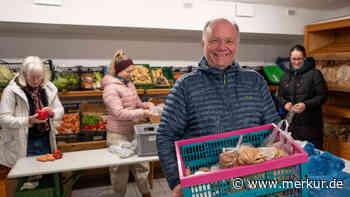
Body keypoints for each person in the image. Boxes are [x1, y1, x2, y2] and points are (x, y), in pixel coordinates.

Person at [156, 18, 280, 197]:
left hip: (251, 182)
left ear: (236, 44)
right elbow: (165, 136)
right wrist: (177, 181)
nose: (222, 47)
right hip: (206, 185)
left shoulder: (255, 81)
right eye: (215, 40)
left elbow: (274, 128)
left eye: (229, 41)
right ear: (203, 44)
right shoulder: (185, 86)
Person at [102, 50, 154, 197]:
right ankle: (119, 195)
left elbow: (136, 103)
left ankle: (146, 193)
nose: (131, 74)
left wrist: (146, 105)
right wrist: (143, 113)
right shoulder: (110, 88)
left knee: (142, 166)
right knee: (120, 171)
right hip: (117, 134)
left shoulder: (129, 84)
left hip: (134, 131)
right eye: (128, 71)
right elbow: (119, 113)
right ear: (118, 70)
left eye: (132, 71)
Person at [0, 56, 64, 169]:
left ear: (43, 75)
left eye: (38, 77)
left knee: (46, 172)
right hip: (24, 142)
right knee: (28, 177)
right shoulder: (11, 91)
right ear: (24, 75)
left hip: (46, 139)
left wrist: (52, 113)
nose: (35, 81)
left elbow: (60, 110)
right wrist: (28, 120)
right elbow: (3, 119)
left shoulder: (49, 88)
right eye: (31, 77)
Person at [277, 45, 328, 150]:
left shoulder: (315, 74)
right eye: (293, 59)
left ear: (304, 58)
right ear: (290, 59)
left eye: (299, 59)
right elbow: (280, 95)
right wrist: (285, 103)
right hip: (292, 126)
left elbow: (322, 96)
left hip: (311, 127)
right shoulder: (285, 76)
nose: (296, 62)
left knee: (311, 158)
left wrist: (306, 105)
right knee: (294, 157)